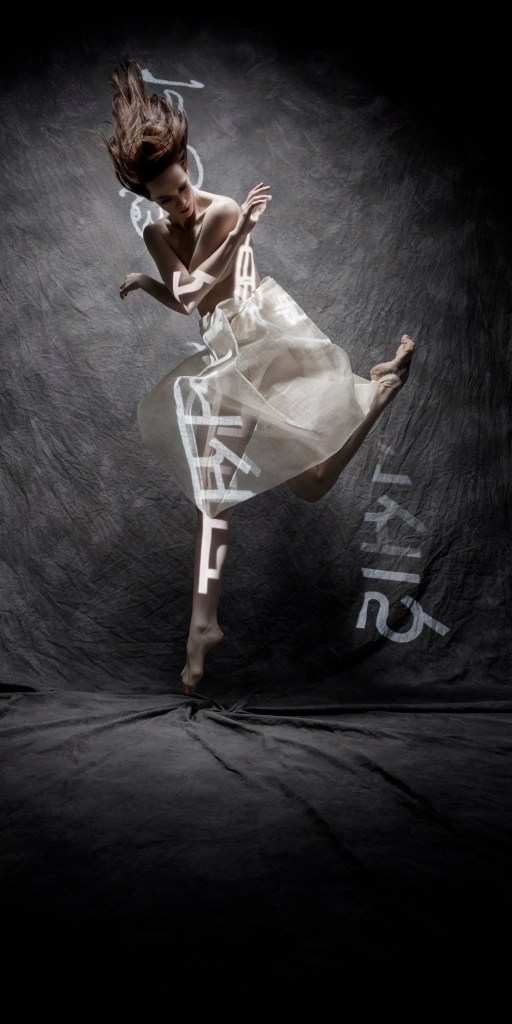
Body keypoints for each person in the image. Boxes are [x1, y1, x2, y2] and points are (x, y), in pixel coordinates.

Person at [101, 58, 415, 695]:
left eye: (181, 187)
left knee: (310, 484)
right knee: (216, 497)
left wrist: (237, 230)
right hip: (225, 357)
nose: (180, 204)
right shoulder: (160, 233)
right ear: (149, 201)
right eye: (165, 199)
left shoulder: (221, 210)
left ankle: (379, 390)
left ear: (187, 168)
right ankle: (202, 629)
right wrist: (148, 282)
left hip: (264, 343)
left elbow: (200, 288)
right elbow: (188, 298)